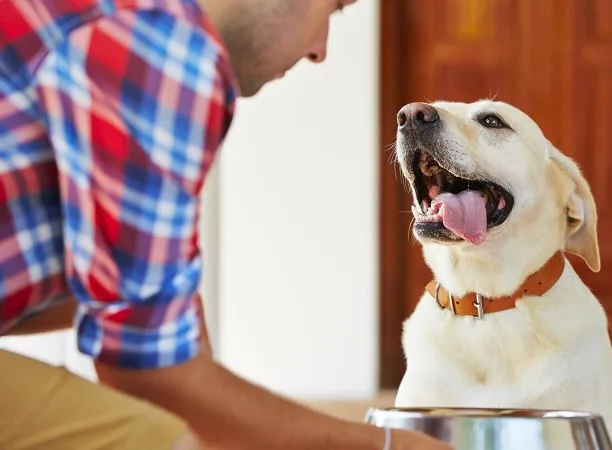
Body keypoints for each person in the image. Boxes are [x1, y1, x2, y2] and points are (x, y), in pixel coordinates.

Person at [0, 0, 453, 448]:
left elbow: (138, 314)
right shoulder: (162, 41)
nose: (321, 49)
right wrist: (387, 445)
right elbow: (145, 374)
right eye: (333, 9)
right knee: (160, 441)